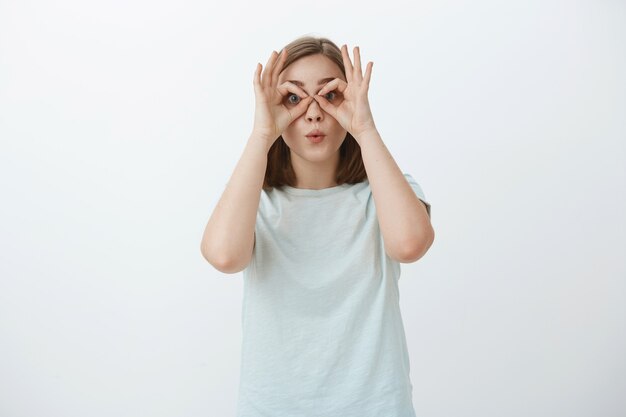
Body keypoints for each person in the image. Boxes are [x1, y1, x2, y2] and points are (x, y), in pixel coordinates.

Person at [200, 35, 434, 417]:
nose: (313, 113)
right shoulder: (254, 200)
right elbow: (224, 256)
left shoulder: (387, 191)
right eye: (294, 98)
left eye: (331, 95)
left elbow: (410, 244)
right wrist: (262, 133)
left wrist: (365, 128)